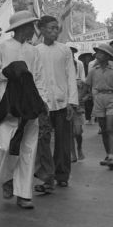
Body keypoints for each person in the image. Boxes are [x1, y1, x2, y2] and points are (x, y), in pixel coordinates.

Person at [0, 10, 48, 210]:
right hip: (8, 105)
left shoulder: (34, 51)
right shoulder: (2, 47)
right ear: (22, 28)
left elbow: (39, 78)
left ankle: (23, 194)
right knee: (6, 146)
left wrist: (43, 102)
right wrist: (6, 73)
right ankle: (7, 179)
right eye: (31, 26)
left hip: (30, 104)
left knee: (28, 149)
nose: (33, 30)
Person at [33, 16, 78, 192]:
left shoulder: (65, 50)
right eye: (51, 28)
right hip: (42, 103)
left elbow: (71, 76)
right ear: (42, 30)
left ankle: (62, 175)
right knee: (42, 141)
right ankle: (47, 177)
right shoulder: (35, 51)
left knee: (63, 141)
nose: (54, 31)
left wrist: (71, 102)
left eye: (56, 28)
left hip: (62, 102)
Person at [77, 51, 95, 124]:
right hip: (84, 85)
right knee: (86, 102)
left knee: (92, 101)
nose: (87, 58)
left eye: (89, 57)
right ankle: (88, 117)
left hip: (91, 84)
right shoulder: (82, 66)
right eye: (86, 57)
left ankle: (94, 117)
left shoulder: (92, 65)